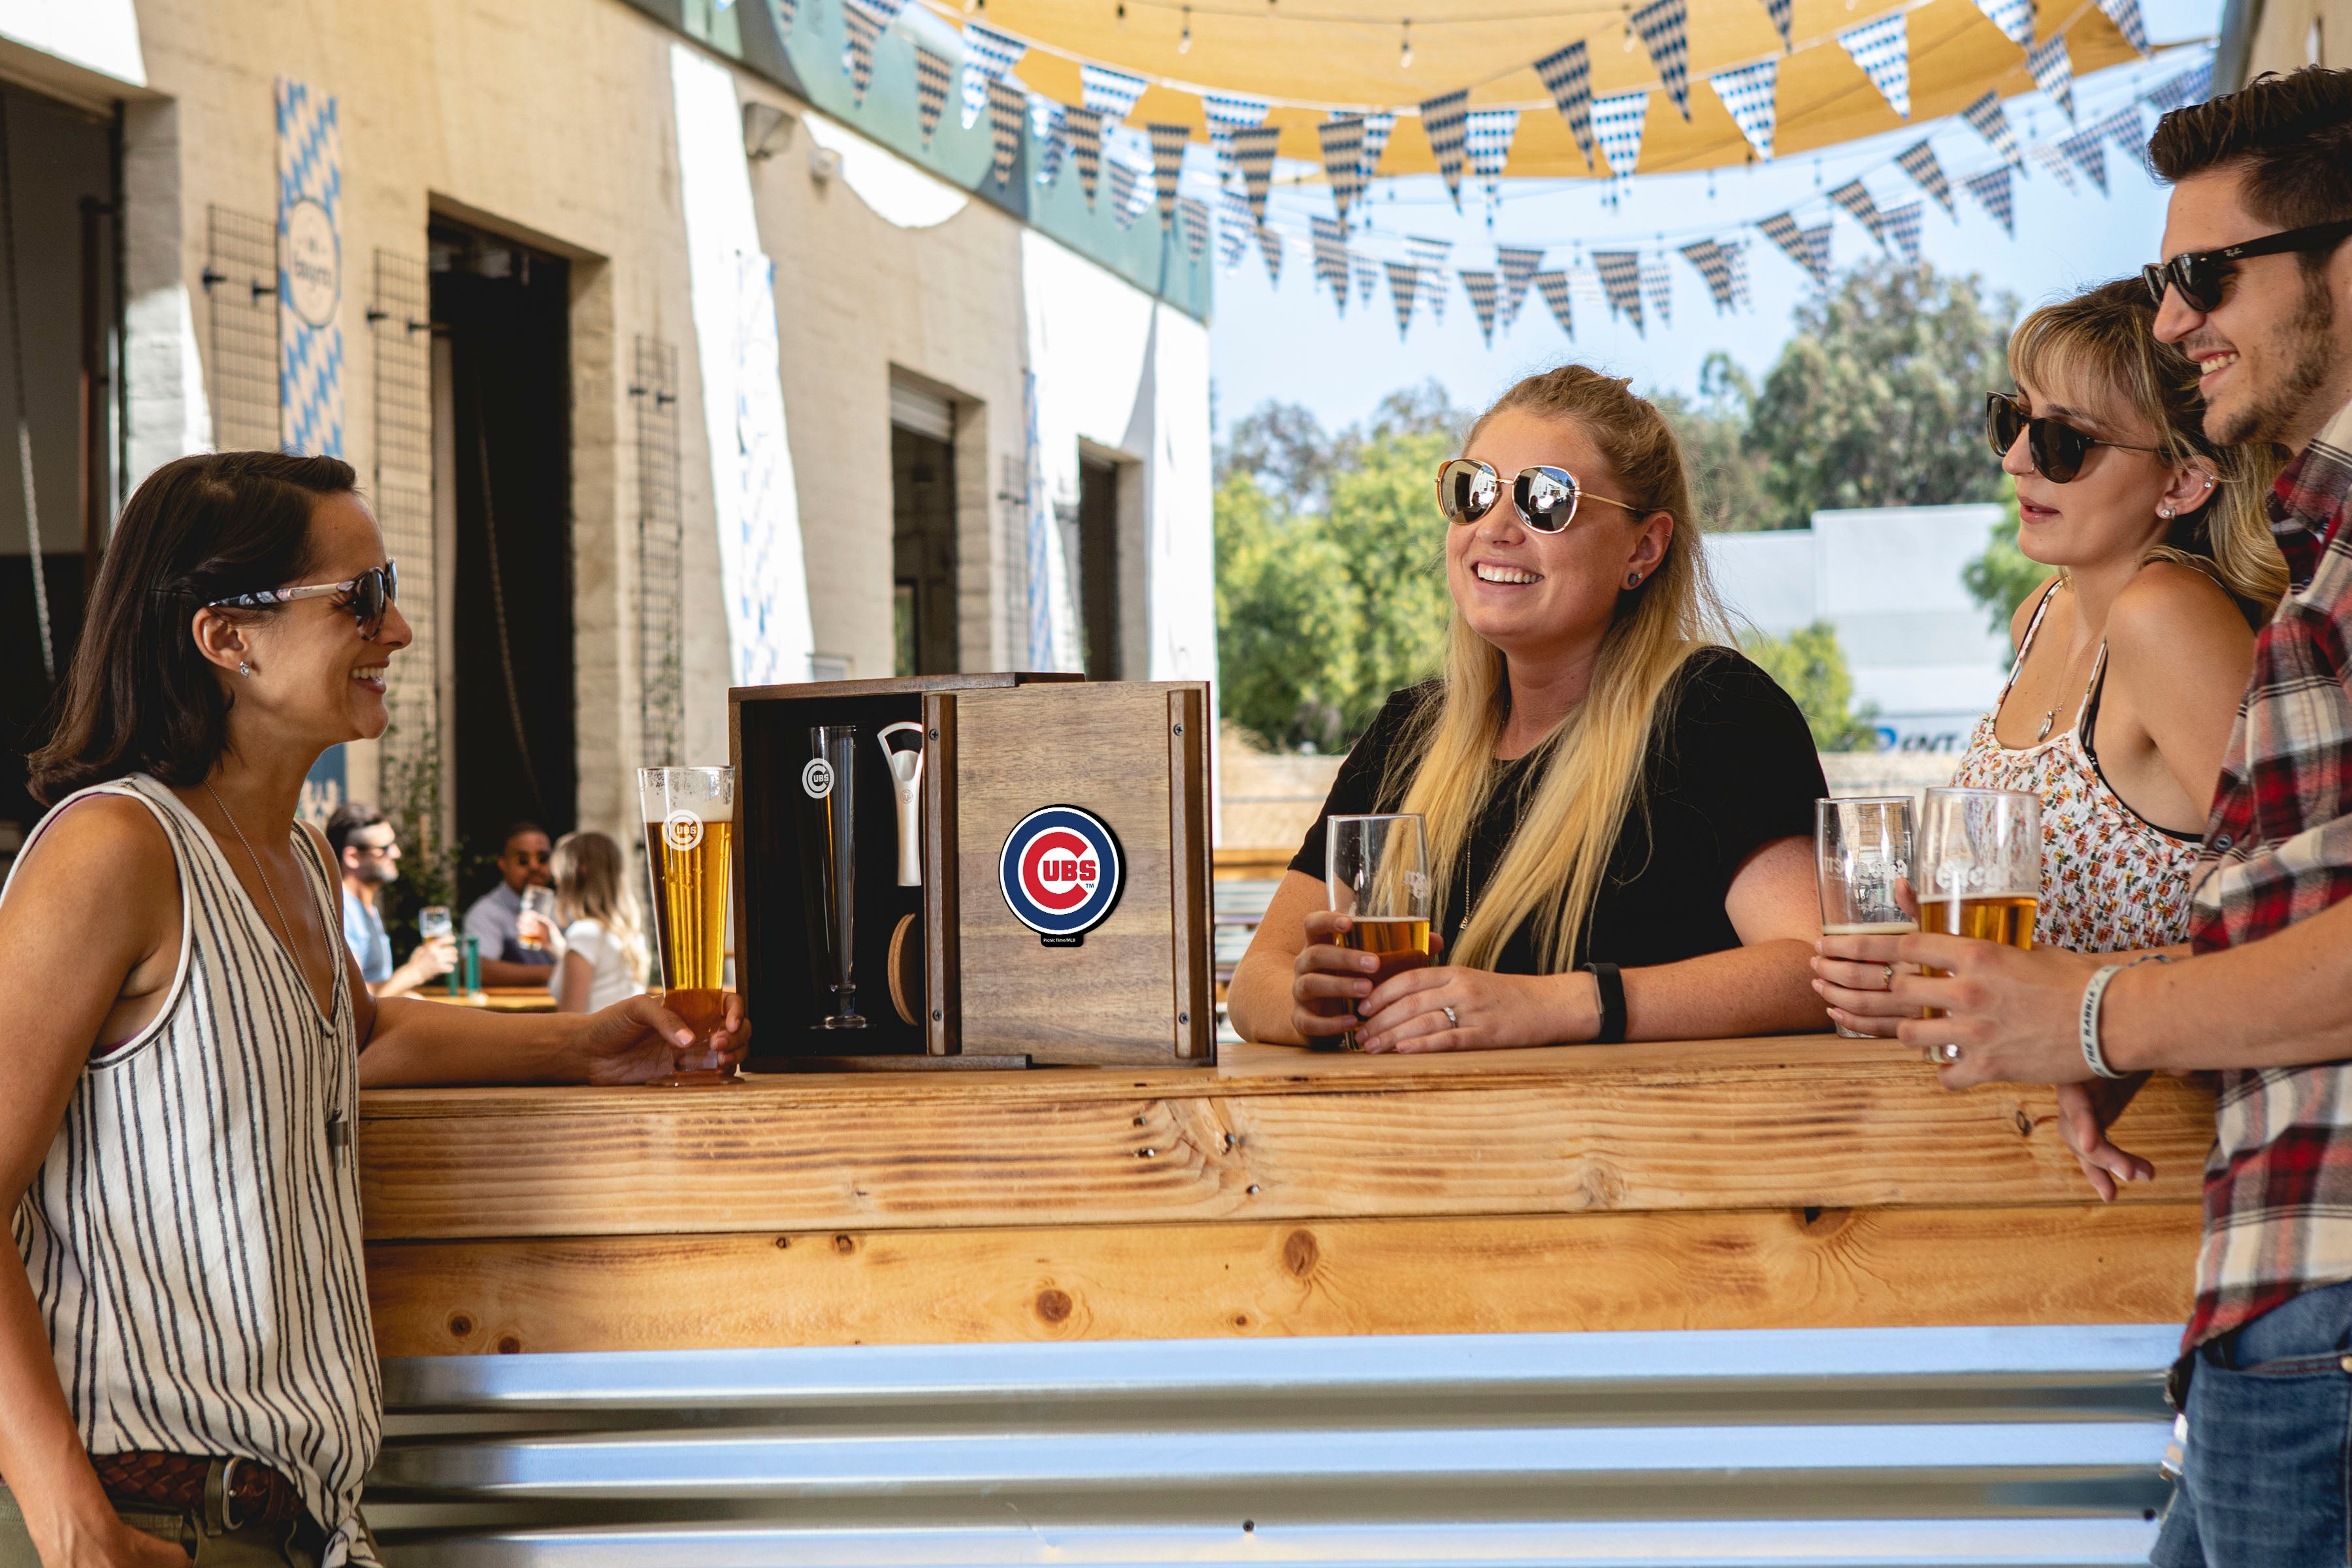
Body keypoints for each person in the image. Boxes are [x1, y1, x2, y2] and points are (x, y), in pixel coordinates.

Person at [0, 451, 747, 1567]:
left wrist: (594, 1042)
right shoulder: (114, 848)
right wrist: (68, 1520)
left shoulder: (293, 852)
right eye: (361, 597)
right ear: (227, 638)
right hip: (146, 1515)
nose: (395, 630)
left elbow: (367, 1037)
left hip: (290, 1522)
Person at [1875, 68, 2352, 1566]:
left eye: (2203, 277)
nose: (2170, 319)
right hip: (2271, 1271)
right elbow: (2271, 898)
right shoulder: (2315, 550)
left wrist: (2095, 1019)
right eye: (2011, 422)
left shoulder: (2179, 609)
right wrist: (2116, 1031)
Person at [1226, 366, 1831, 1052]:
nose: (1496, 528)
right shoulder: (1409, 731)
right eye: (1473, 491)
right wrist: (1313, 1004)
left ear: (1644, 546)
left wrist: (1557, 1005)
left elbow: (1814, 970)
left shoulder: (1715, 713)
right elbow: (1254, 985)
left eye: (1547, 500)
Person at [1817, 278, 2284, 1036]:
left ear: (2184, 479)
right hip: (2036, 1109)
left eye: (2068, 441)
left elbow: (2301, 926)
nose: (2018, 460)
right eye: (2014, 419)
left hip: (2161, 1113)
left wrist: (2062, 988)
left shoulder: (2164, 617)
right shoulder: (2039, 615)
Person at [326, 801, 457, 999]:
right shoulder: (341, 910)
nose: (396, 853)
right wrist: (415, 972)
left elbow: (374, 987)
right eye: (384, 848)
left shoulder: (364, 907)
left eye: (393, 844)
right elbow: (352, 1002)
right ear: (353, 857)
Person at [540, 830, 649, 1014]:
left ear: (578, 874)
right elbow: (602, 980)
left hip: (595, 1043)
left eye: (559, 874)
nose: (556, 882)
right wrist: (555, 946)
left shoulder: (584, 933)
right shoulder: (630, 934)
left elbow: (569, 1025)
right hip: (623, 1041)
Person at [461, 821, 560, 987]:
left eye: (543, 859)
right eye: (523, 860)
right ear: (503, 864)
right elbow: (475, 967)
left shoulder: (564, 909)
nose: (534, 866)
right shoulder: (486, 912)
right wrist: (552, 973)